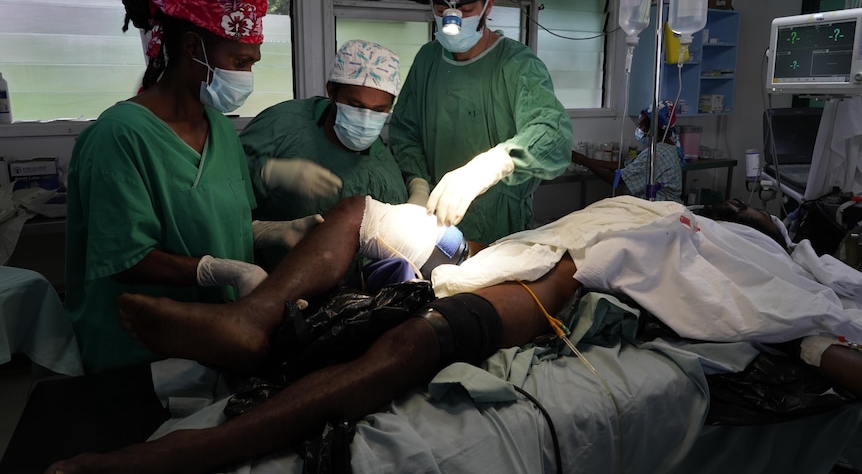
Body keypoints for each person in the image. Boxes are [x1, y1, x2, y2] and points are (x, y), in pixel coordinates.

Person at [45, 196, 862, 474]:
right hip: (531, 247)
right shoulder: (682, 205)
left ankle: (174, 457)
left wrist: (823, 349)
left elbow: (811, 333)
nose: (762, 213)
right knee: (366, 212)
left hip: (570, 279)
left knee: (410, 345)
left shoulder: (776, 258)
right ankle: (255, 319)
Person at [64, 0, 320, 374]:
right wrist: (221, 270)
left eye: (252, 62)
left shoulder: (218, 126)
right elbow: (122, 255)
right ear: (190, 46)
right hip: (141, 348)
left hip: (217, 336)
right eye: (239, 60)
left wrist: (275, 232)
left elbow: (215, 215)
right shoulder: (119, 136)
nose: (246, 74)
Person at [388, 0, 573, 245]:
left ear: (489, 6)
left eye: (466, 9)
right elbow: (405, 131)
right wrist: (418, 184)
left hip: (502, 227)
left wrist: (492, 165)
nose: (452, 19)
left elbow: (554, 134)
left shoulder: (517, 64)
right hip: (435, 225)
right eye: (441, 9)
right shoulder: (427, 60)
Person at [240, 39, 407, 270]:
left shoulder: (384, 173)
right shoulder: (283, 124)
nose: (366, 118)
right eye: (356, 105)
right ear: (332, 91)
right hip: (264, 276)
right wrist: (267, 172)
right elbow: (221, 186)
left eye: (378, 110)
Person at [572, 100, 684, 202]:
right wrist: (587, 160)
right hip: (667, 206)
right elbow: (624, 166)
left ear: (652, 127)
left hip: (659, 211)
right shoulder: (668, 147)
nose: (639, 129)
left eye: (640, 125)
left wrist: (585, 162)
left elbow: (617, 180)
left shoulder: (656, 154)